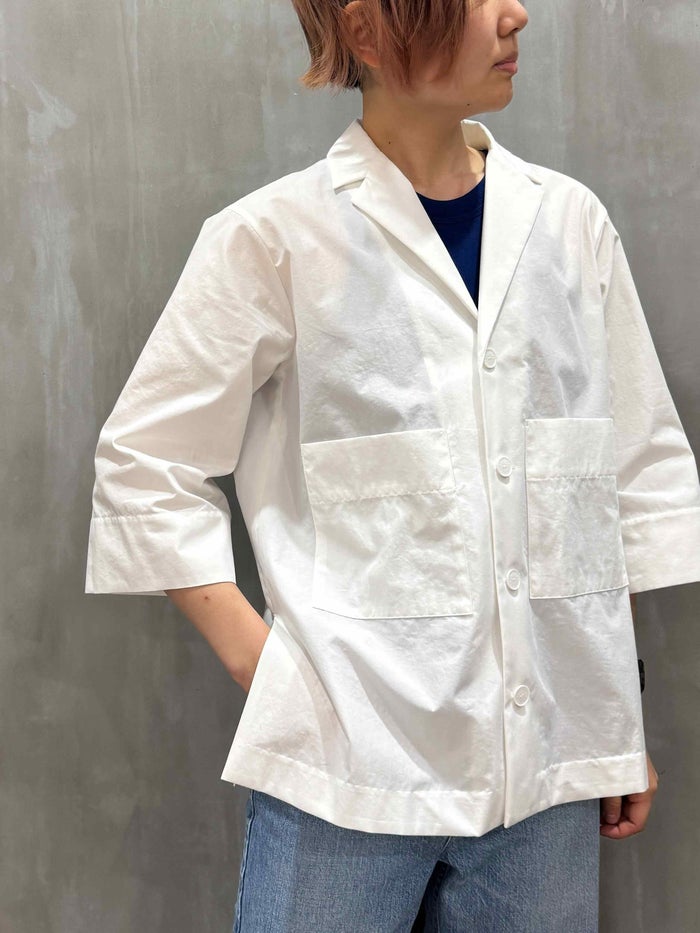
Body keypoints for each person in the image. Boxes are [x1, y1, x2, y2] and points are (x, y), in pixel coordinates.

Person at [85, 0, 700, 929]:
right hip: (344, 780)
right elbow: (144, 462)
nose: (515, 15)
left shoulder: (571, 226)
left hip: (546, 777)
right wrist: (273, 673)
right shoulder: (276, 239)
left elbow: (626, 476)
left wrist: (615, 722)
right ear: (368, 32)